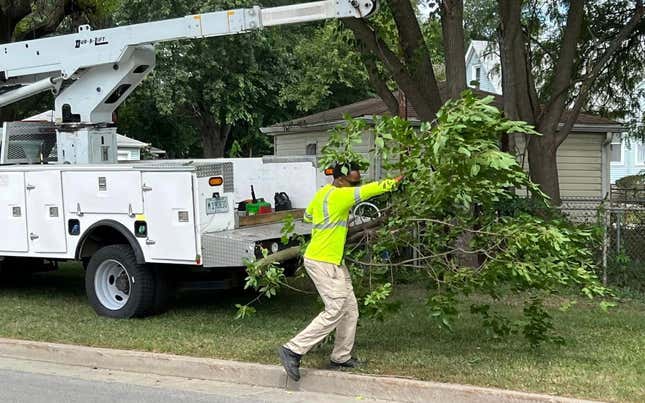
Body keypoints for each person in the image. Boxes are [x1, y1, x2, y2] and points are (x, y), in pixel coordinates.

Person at [278, 162, 403, 382]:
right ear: (340, 179)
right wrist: (395, 182)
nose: (356, 184)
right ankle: (293, 350)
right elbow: (371, 190)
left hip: (332, 260)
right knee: (336, 308)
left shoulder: (323, 194)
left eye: (357, 180)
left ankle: (341, 357)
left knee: (350, 309)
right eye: (353, 181)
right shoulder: (341, 196)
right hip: (323, 261)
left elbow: (308, 216)